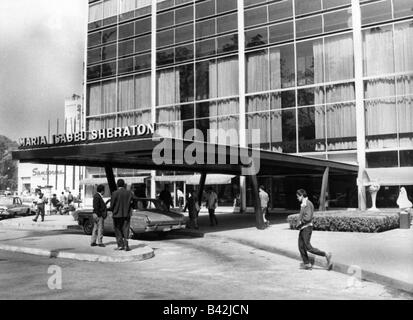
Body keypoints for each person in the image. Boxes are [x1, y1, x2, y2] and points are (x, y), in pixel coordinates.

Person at [296, 189, 332, 270]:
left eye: (298, 196)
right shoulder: (304, 203)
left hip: (306, 227)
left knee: (308, 247)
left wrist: (300, 222)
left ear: (302, 195)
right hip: (303, 227)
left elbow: (308, 217)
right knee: (301, 246)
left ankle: (326, 254)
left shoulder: (307, 204)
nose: (297, 198)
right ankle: (307, 264)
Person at [110, 179, 134, 251]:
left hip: (117, 214)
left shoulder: (115, 193)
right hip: (126, 215)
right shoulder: (129, 193)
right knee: (126, 230)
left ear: (117, 185)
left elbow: (112, 205)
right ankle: (126, 245)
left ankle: (120, 245)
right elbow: (133, 203)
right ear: (124, 185)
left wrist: (113, 210)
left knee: (118, 230)